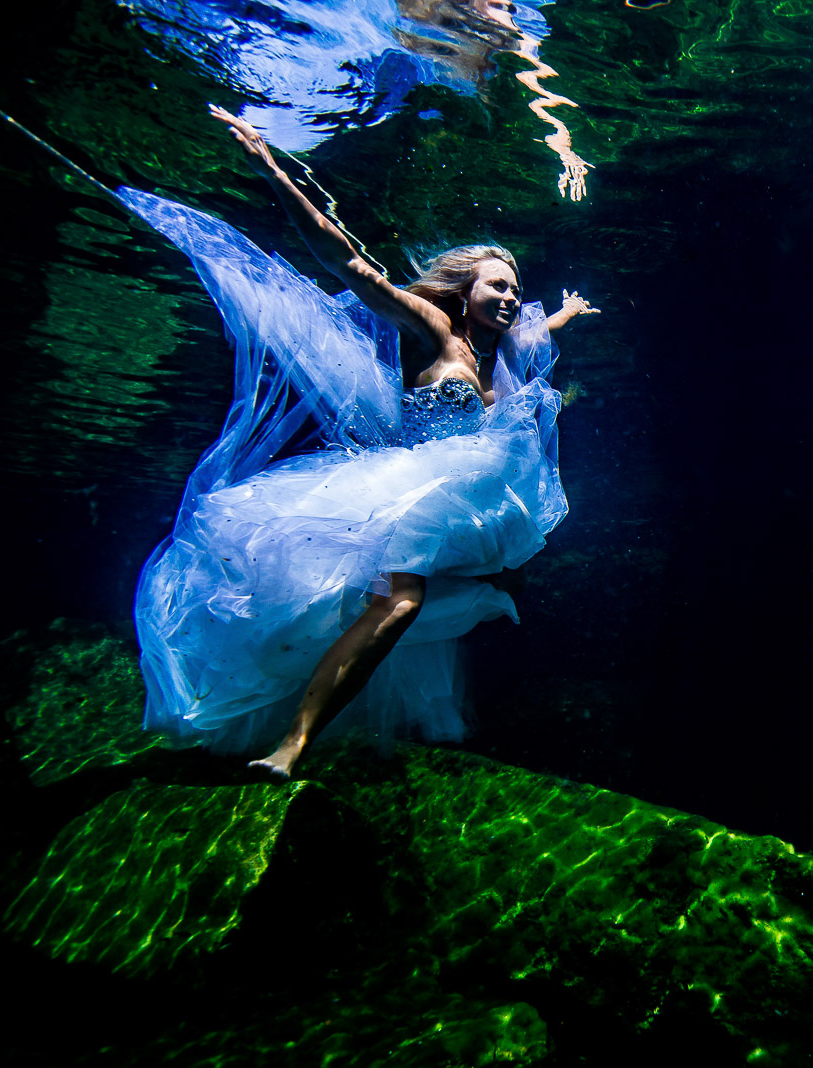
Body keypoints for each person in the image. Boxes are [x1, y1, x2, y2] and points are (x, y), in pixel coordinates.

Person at [128, 105, 597, 777]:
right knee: (398, 602)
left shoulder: (504, 352)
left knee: (393, 605)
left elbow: (532, 332)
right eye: (497, 285)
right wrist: (270, 165)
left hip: (471, 500)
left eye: (516, 290)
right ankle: (291, 745)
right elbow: (347, 261)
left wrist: (562, 316)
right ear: (464, 292)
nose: (509, 297)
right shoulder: (435, 329)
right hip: (412, 491)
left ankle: (296, 729)